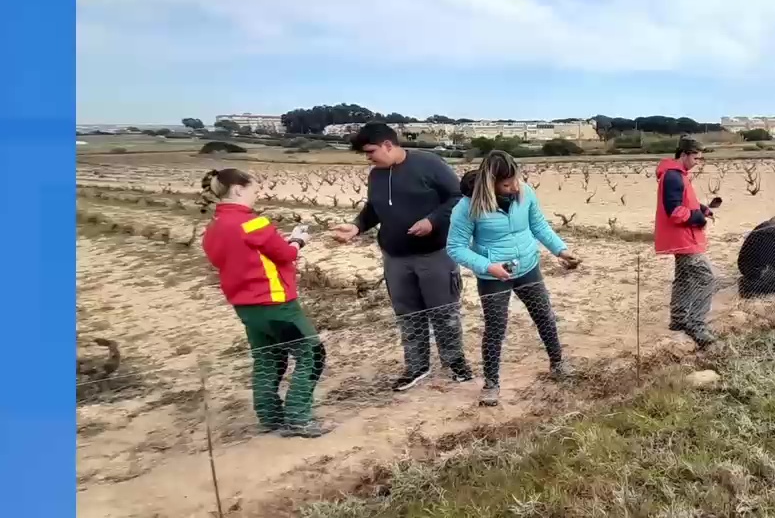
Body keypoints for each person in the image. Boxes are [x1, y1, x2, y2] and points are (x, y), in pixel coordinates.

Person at [332, 123, 472, 391]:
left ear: (388, 144)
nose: (368, 157)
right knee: (408, 315)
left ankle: (455, 363)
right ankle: (417, 366)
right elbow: (373, 209)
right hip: (395, 258)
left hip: (435, 254)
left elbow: (457, 197)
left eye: (370, 151)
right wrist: (357, 226)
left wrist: (433, 221)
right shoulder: (376, 176)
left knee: (444, 312)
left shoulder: (429, 164)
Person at [199, 168, 329, 438]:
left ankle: (269, 416)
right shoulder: (253, 223)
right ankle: (298, 417)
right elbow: (284, 254)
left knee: (267, 357)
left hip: (246, 306)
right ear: (237, 189)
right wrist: (298, 241)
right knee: (311, 353)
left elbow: (224, 260)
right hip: (277, 305)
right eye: (254, 191)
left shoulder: (212, 228)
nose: (256, 197)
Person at [446, 152, 580, 407]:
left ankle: (558, 363)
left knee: (545, 316)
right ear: (490, 182)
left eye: (515, 180)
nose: (514, 187)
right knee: (495, 329)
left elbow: (538, 225)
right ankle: (491, 384)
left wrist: (560, 250)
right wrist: (488, 266)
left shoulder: (526, 193)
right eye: (506, 184)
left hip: (528, 266)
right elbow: (455, 247)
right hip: (493, 276)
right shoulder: (468, 207)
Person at [653, 136, 717, 348]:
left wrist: (703, 208)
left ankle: (678, 320)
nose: (697, 162)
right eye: (696, 158)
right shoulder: (673, 177)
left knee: (684, 278)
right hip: (684, 238)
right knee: (706, 278)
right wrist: (698, 218)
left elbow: (685, 201)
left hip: (683, 238)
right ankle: (696, 325)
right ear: (684, 154)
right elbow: (674, 211)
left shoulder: (677, 175)